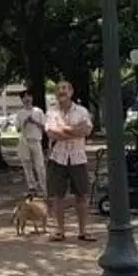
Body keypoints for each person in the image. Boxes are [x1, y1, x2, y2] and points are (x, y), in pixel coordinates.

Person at [44, 80, 94, 241]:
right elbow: (52, 133)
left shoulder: (82, 111)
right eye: (58, 89)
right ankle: (60, 230)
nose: (61, 92)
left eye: (64, 88)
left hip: (78, 157)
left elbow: (86, 130)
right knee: (58, 195)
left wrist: (63, 129)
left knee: (82, 195)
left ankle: (83, 231)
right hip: (58, 157)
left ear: (71, 91)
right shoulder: (51, 113)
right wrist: (74, 130)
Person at [14, 89, 47, 195]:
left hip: (36, 140)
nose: (27, 99)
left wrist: (34, 121)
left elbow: (44, 127)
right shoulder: (20, 113)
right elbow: (18, 129)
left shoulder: (38, 111)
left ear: (32, 98)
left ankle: (44, 187)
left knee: (40, 165)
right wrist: (24, 123)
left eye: (29, 96)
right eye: (24, 97)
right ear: (22, 100)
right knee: (27, 165)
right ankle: (32, 187)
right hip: (24, 141)